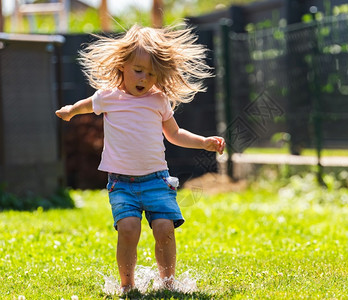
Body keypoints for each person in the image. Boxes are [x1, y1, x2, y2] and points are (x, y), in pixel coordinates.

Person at [55, 24, 225, 293]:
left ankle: (168, 284)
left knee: (164, 229)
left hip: (157, 181)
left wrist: (203, 142)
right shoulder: (109, 97)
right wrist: (70, 111)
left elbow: (175, 133)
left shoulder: (158, 100)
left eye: (152, 74)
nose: (144, 79)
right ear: (122, 65)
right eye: (139, 71)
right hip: (122, 183)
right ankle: (127, 286)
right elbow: (86, 105)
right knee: (129, 228)